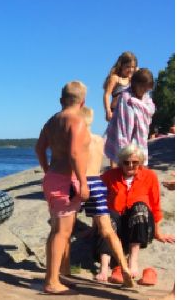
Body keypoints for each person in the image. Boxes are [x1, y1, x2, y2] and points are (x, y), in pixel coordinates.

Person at [35, 81, 90, 295]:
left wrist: (47, 169)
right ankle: (51, 281)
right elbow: (75, 153)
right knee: (62, 232)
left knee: (57, 230)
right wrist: (83, 183)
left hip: (53, 177)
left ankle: (55, 276)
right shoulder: (77, 121)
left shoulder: (52, 121)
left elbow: (39, 148)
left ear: (61, 100)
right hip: (66, 180)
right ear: (83, 101)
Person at [95, 144, 174, 280]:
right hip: (116, 225)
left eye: (135, 162)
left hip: (139, 225)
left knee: (140, 207)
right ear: (121, 162)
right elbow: (98, 202)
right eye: (126, 162)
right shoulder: (109, 176)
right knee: (109, 214)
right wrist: (94, 227)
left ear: (141, 162)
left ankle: (133, 260)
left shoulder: (150, 176)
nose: (130, 165)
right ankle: (104, 267)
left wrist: (157, 232)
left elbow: (155, 205)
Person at [79, 107, 134, 287]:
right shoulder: (98, 140)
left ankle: (62, 269)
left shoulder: (77, 140)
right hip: (96, 182)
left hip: (80, 182)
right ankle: (125, 269)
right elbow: (112, 156)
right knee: (108, 230)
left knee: (64, 228)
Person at [104, 68, 155, 167]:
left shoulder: (146, 97)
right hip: (127, 139)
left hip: (141, 139)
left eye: (147, 88)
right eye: (142, 87)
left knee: (141, 169)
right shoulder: (126, 98)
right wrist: (124, 151)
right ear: (135, 84)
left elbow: (150, 109)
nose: (144, 91)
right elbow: (123, 127)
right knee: (128, 167)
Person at [103, 52, 137, 122]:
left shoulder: (132, 80)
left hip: (129, 113)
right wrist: (108, 110)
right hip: (116, 111)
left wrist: (137, 71)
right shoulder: (115, 78)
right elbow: (107, 94)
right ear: (121, 66)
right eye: (128, 67)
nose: (131, 70)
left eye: (133, 67)